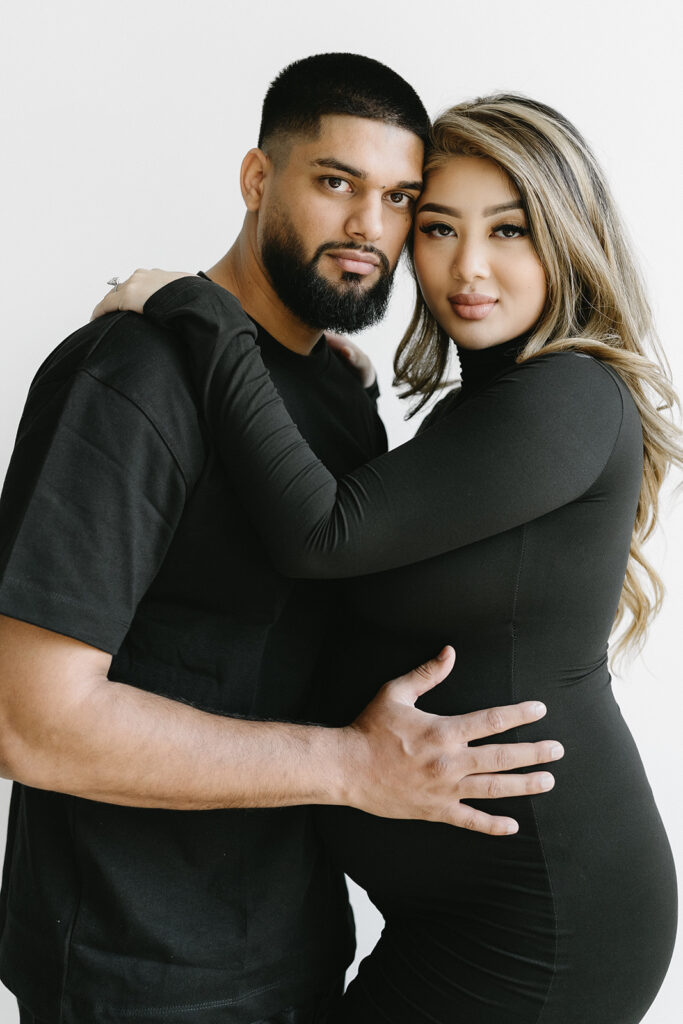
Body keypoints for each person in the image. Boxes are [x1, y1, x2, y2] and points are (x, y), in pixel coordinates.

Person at [0, 58, 564, 1024]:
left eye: (398, 199)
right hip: (136, 972)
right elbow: (30, 723)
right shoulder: (132, 375)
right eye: (335, 182)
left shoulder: (340, 402)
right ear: (259, 180)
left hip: (299, 951)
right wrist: (355, 767)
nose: (367, 228)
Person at [104, 95, 680, 1022]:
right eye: (440, 228)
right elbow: (376, 545)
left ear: (570, 239)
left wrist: (198, 310)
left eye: (509, 231)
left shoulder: (570, 393)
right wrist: (326, 393)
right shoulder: (484, 409)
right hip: (459, 915)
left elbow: (323, 535)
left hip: (542, 924)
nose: (469, 267)